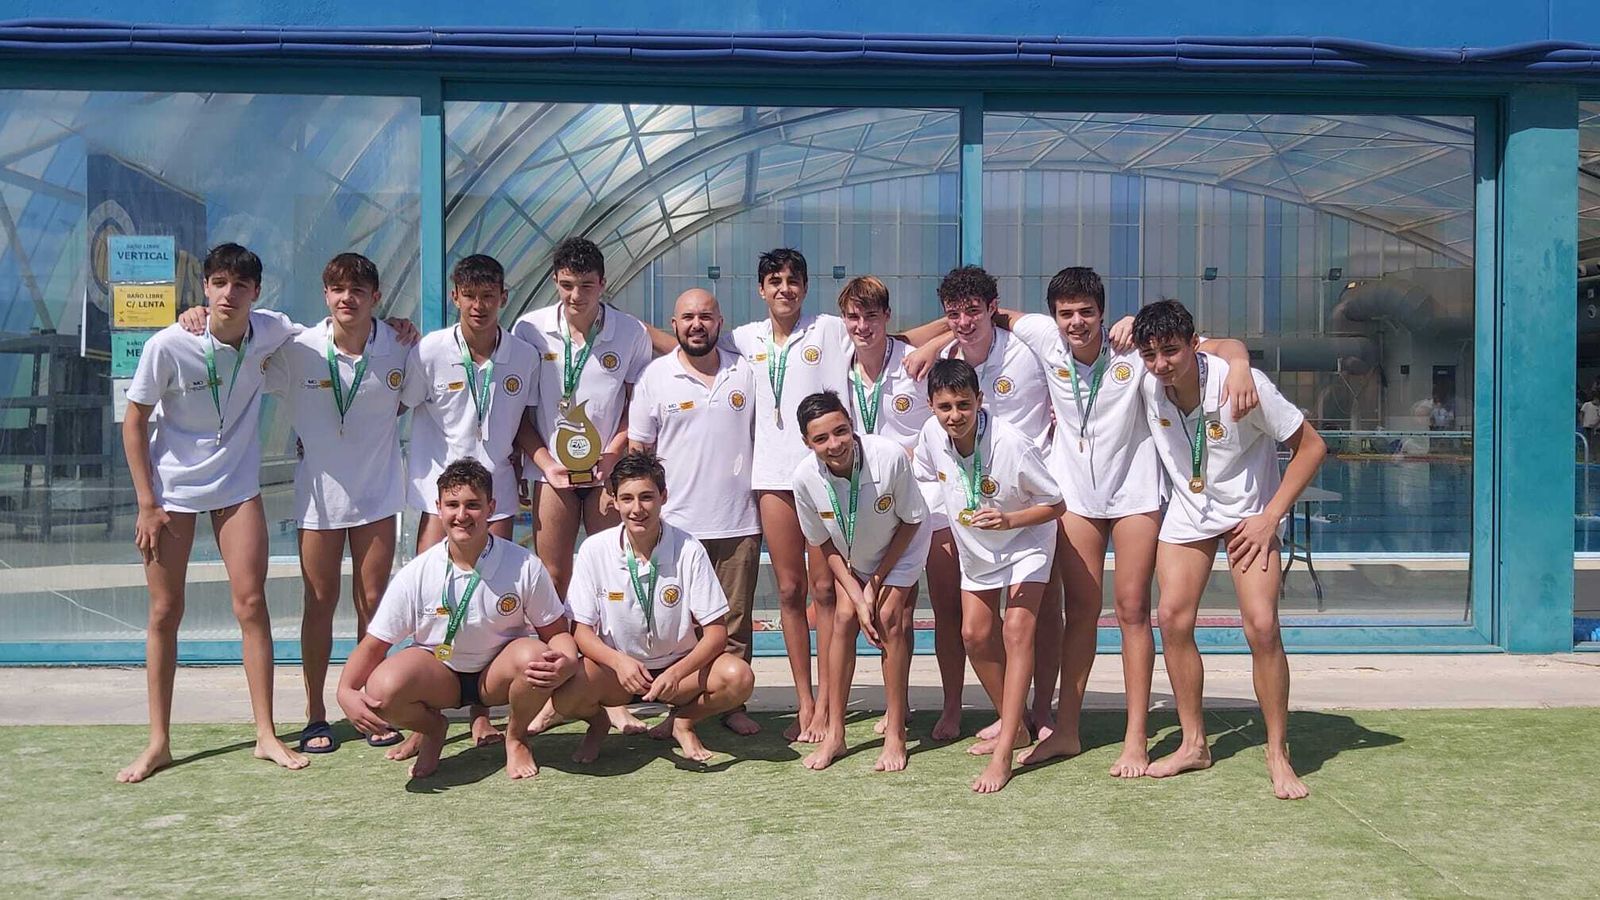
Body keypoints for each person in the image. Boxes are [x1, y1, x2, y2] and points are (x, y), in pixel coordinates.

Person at [1004, 268, 1257, 777]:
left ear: (1102, 311)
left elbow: (1217, 344)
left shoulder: (1134, 347)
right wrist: (921, 349)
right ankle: (1068, 731)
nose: (1076, 322)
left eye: (1087, 312)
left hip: (1136, 495)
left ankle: (1136, 738)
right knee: (1080, 613)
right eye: (1066, 313)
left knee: (1132, 611)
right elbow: (990, 316)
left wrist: (1243, 365)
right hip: (1075, 497)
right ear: (1053, 316)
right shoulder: (1040, 337)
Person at [117, 243, 306, 783]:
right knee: (164, 612)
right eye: (219, 283)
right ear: (204, 287)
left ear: (256, 293)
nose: (229, 294)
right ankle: (159, 742)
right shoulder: (169, 344)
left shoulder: (270, 330)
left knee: (251, 604)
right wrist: (146, 504)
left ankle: (266, 734)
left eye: (240, 285)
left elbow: (336, 328)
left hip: (237, 489)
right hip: (170, 495)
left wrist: (402, 330)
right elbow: (134, 423)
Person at [1133, 299, 1327, 800]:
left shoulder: (1242, 384)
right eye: (1150, 354)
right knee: (1172, 618)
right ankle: (1194, 743)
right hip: (1189, 513)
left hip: (1251, 515)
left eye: (1170, 352)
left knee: (1261, 626)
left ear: (1194, 345)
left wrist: (1271, 517)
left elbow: (1312, 447)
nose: (1161, 365)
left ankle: (1277, 751)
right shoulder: (1147, 380)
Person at [337, 459, 577, 780]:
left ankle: (516, 738)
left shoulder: (523, 565)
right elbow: (374, 645)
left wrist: (567, 660)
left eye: (473, 505)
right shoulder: (417, 573)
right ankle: (433, 729)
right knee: (381, 689)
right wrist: (345, 691)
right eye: (452, 505)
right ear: (438, 508)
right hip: (441, 676)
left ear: (491, 507)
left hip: (495, 677)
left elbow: (557, 633)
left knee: (537, 657)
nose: (461, 515)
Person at [393, 253, 542, 756]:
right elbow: (396, 404)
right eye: (469, 295)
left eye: (488, 296)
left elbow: (522, 423)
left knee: (494, 604)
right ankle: (425, 716)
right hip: (443, 500)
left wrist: (531, 466)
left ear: (503, 297)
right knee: (430, 601)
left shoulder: (522, 356)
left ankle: (482, 713)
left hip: (493, 497)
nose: (479, 306)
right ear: (455, 297)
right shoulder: (428, 351)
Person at [263, 253, 412, 753]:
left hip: (377, 497)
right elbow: (234, 343)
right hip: (318, 505)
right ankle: (315, 715)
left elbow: (422, 400)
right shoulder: (296, 349)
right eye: (336, 290)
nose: (346, 298)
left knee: (373, 608)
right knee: (319, 606)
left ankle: (372, 706)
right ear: (326, 296)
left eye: (357, 290)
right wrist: (193, 318)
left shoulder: (398, 345)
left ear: (376, 296)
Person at [512, 236, 655, 736]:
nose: (576, 296)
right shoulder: (529, 329)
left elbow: (635, 408)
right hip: (552, 473)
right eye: (568, 286)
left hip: (604, 475)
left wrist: (613, 453)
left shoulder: (630, 332)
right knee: (553, 573)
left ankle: (610, 693)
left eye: (587, 287)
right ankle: (555, 691)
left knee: (612, 574)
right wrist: (545, 462)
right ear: (556, 282)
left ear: (603, 285)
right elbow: (519, 414)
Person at [915, 359, 1064, 793]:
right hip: (977, 548)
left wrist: (1011, 520)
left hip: (1026, 541)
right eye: (945, 406)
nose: (955, 415)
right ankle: (1015, 726)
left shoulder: (1011, 443)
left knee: (1017, 630)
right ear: (931, 407)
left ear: (981, 400)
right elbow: (929, 476)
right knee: (976, 636)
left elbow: (1056, 504)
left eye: (964, 404)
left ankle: (1004, 757)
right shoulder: (931, 436)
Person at [553, 451, 756, 763]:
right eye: (627, 498)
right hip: (617, 673)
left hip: (679, 670)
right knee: (565, 697)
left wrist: (677, 672)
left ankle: (684, 721)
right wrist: (619, 663)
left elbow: (716, 634)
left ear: (664, 497)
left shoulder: (689, 549)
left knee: (738, 677)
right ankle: (598, 724)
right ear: (614, 500)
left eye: (647, 497)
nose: (637, 509)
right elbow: (581, 632)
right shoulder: (594, 549)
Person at [834, 276, 965, 740]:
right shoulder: (836, 367)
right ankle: (898, 707)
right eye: (854, 316)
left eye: (872, 316)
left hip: (931, 504)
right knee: (895, 613)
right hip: (874, 509)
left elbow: (971, 330)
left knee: (948, 610)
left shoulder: (915, 361)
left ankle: (952, 708)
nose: (863, 326)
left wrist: (942, 339)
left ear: (887, 317)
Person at [628, 288, 764, 736]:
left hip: (738, 520)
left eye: (706, 316)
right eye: (688, 317)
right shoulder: (655, 377)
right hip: (676, 527)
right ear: (674, 324)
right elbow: (639, 451)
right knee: (679, 624)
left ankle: (728, 706)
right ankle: (675, 706)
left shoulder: (746, 373)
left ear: (720, 322)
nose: (697, 325)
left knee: (734, 622)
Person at [791, 391, 929, 771]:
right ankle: (835, 733)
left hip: (904, 542)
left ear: (853, 426)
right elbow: (822, 545)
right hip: (853, 556)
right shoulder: (803, 479)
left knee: (889, 620)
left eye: (841, 431)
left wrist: (877, 583)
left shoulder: (889, 457)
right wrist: (856, 589)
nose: (834, 444)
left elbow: (912, 520)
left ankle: (896, 732)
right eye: (820, 439)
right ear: (807, 442)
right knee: (843, 619)